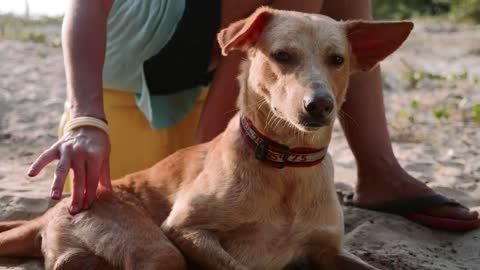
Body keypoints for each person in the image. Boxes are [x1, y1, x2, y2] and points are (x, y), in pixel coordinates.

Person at [27, 0, 480, 230]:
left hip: (202, 80)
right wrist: (87, 118)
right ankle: (210, 169)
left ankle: (380, 170)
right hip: (122, 56)